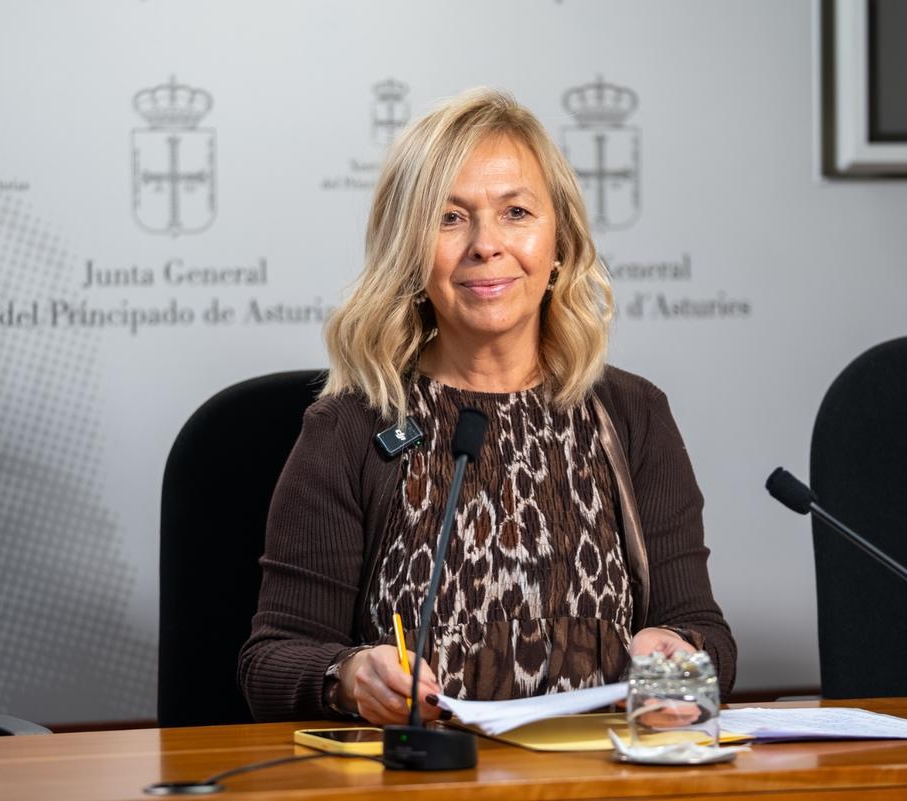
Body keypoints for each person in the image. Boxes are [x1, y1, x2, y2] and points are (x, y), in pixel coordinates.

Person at [238, 88, 735, 725]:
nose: (485, 245)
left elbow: (706, 633)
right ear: (410, 253)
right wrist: (348, 675)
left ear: (560, 241)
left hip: (600, 782)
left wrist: (682, 657)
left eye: (516, 212)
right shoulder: (350, 429)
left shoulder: (632, 414)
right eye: (450, 218)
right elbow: (271, 660)